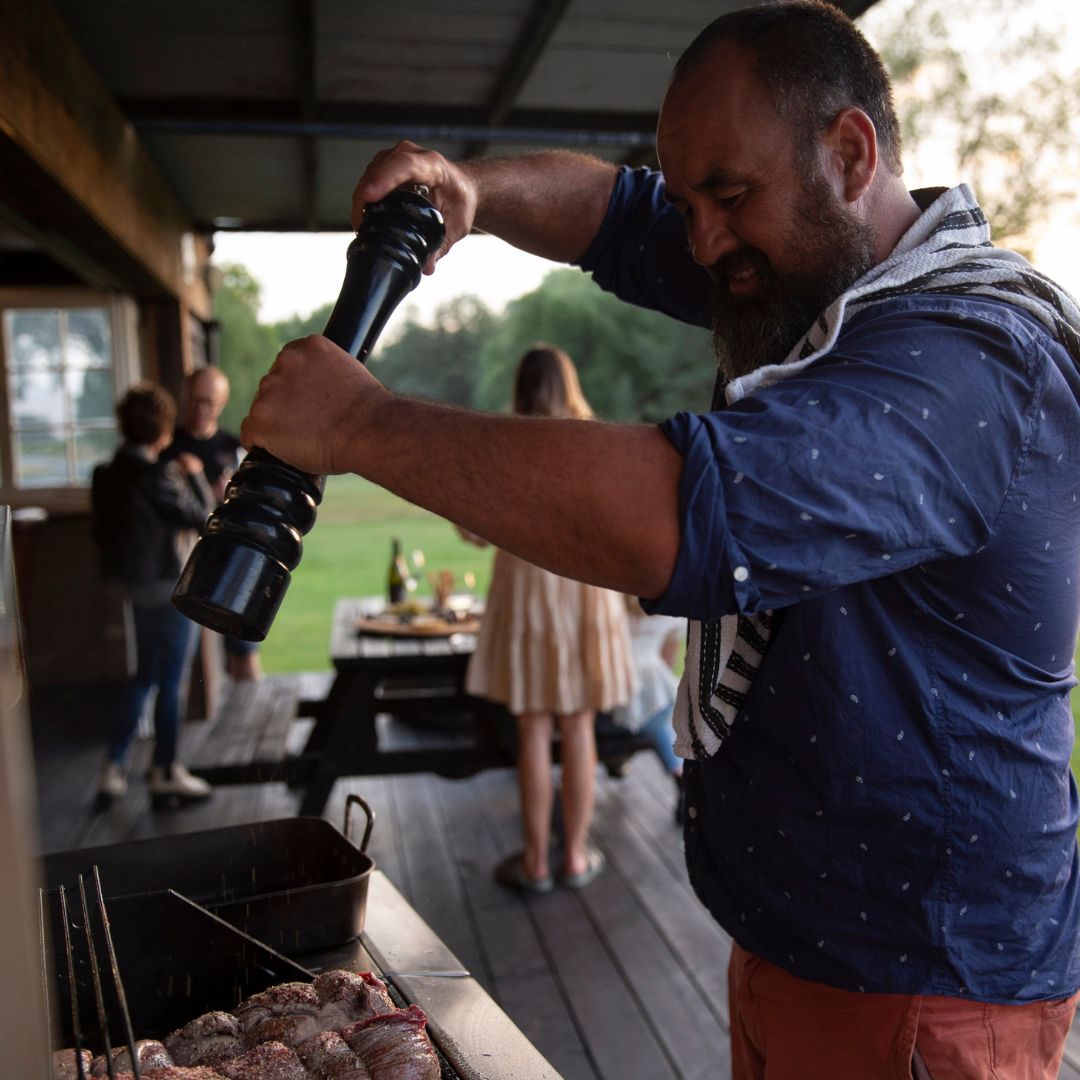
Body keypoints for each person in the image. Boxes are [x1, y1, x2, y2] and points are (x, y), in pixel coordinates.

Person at [240, 1, 1080, 1074]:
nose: (703, 240)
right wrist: (475, 193)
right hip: (806, 941)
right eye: (693, 202)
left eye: (729, 195)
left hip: (925, 977)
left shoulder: (969, 362)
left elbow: (678, 512)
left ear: (852, 152)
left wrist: (362, 423)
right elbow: (617, 215)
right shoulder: (812, 279)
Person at [462, 345, 635, 893]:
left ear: (521, 387)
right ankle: (576, 857)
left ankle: (536, 861)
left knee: (533, 727)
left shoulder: (504, 444)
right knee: (578, 725)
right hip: (585, 591)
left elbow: (473, 531)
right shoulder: (596, 441)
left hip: (525, 592)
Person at [91, 383, 214, 808]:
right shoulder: (162, 475)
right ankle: (165, 771)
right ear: (162, 429)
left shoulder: (105, 476)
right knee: (171, 683)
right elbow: (204, 519)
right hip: (171, 590)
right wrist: (195, 473)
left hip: (135, 590)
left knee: (143, 676)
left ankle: (113, 768)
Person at [163, 366, 262, 681]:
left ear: (222, 403)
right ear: (184, 397)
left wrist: (233, 496)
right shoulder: (168, 449)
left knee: (243, 655)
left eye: (209, 402)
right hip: (181, 567)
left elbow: (259, 509)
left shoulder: (235, 448)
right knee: (181, 663)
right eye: (194, 401)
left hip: (230, 564)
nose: (201, 409)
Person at [611, 596, 684, 822]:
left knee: (651, 717)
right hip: (655, 685)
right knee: (658, 716)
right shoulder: (669, 612)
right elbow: (668, 657)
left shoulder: (613, 606)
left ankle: (620, 761)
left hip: (616, 685)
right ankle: (679, 772)